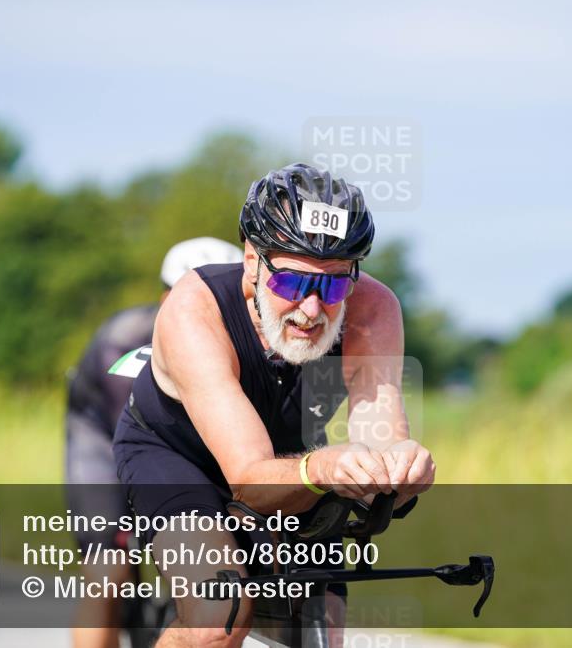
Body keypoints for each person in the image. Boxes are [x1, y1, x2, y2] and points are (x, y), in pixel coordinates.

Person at [113, 163, 436, 648]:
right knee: (217, 618)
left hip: (293, 452)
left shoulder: (373, 307)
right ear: (252, 262)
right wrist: (323, 469)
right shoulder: (194, 310)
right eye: (291, 283)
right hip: (179, 458)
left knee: (319, 626)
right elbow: (248, 477)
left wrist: (400, 468)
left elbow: (378, 423)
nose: (311, 309)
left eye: (332, 286)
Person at [66, 237, 244, 648]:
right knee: (108, 569)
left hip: (179, 440)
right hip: (102, 435)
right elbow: (138, 446)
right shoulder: (124, 343)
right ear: (167, 297)